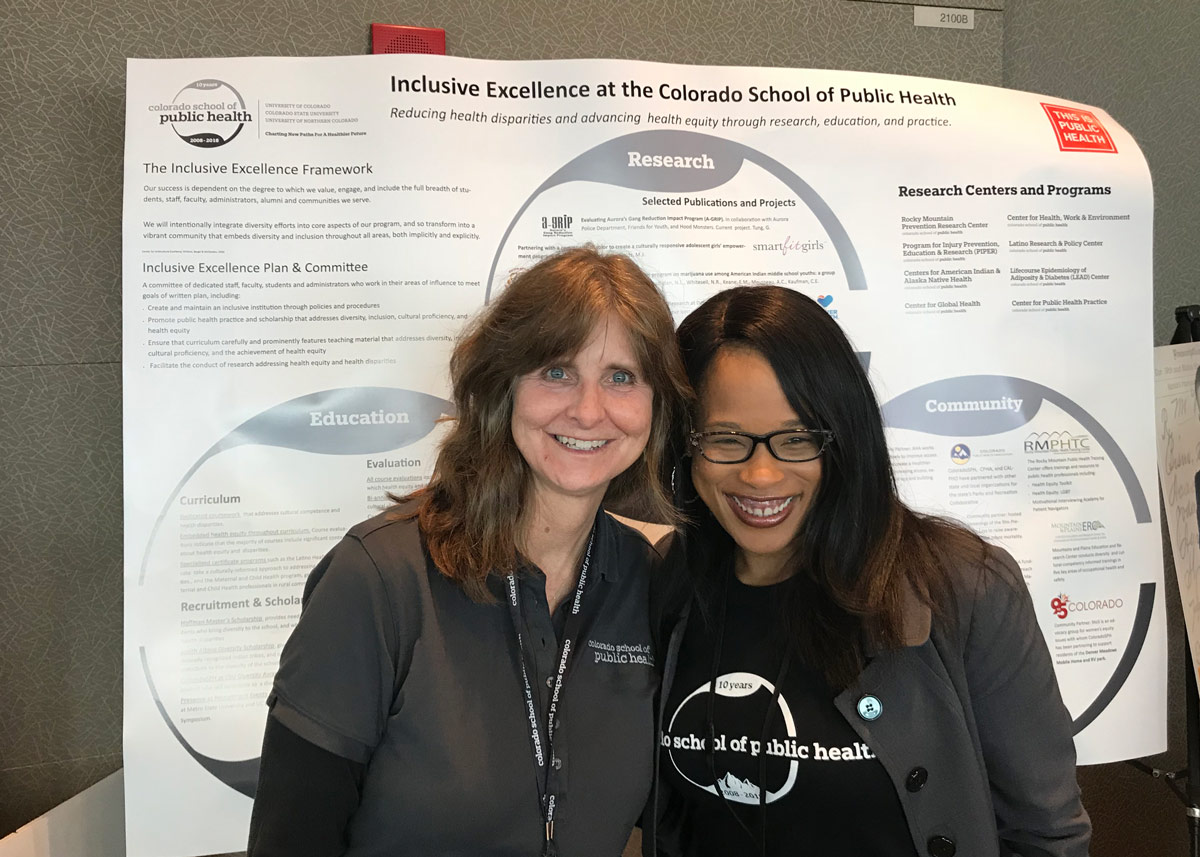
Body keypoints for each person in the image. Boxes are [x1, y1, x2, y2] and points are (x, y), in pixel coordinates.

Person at [247, 246, 691, 857]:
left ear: (655, 406)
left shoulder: (651, 583)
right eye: (556, 371)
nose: (589, 411)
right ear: (501, 387)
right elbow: (290, 841)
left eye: (621, 377)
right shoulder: (380, 579)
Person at [644, 286, 1090, 857]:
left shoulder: (963, 589)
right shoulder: (666, 588)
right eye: (726, 439)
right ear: (686, 444)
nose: (760, 476)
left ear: (843, 439)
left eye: (796, 438)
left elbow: (1045, 838)